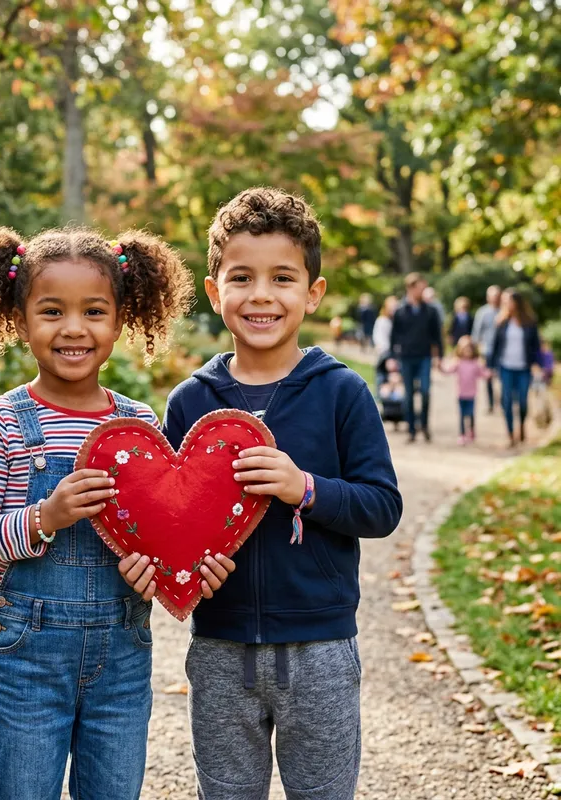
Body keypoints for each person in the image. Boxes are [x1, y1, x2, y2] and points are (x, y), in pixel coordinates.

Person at [125, 187, 403, 800]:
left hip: (321, 646)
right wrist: (175, 567)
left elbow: (382, 506)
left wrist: (304, 488)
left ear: (313, 292)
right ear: (214, 290)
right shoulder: (190, 401)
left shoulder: (342, 392)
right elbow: (172, 514)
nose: (261, 295)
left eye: (282, 278)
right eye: (241, 277)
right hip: (220, 647)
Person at [0, 225, 233, 800]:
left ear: (121, 320)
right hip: (29, 659)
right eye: (52, 311)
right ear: (19, 318)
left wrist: (168, 572)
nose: (74, 328)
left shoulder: (140, 424)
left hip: (122, 660)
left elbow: (159, 534)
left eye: (94, 311)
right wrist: (44, 518)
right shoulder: (2, 419)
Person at [390, 273, 444, 442]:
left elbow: (437, 335)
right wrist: (392, 357)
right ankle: (411, 430)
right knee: (409, 395)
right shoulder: (400, 311)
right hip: (406, 357)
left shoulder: (431, 311)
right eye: (420, 288)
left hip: (424, 357)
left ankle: (425, 426)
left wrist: (440, 356)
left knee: (426, 392)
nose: (422, 291)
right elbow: (394, 336)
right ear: (411, 288)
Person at [488, 289, 542, 446]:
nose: (505, 303)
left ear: (517, 302)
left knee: (523, 401)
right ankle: (511, 433)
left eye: (508, 300)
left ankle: (522, 425)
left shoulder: (529, 322)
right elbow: (495, 345)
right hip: (506, 367)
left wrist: (537, 364)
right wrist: (490, 366)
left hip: (523, 367)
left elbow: (536, 346)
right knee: (507, 401)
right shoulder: (502, 321)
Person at [440, 335, 490, 445]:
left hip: (471, 394)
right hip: (461, 393)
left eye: (469, 349)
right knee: (462, 415)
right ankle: (462, 434)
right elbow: (448, 370)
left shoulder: (475, 363)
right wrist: (441, 367)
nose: (467, 352)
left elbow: (483, 373)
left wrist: (489, 374)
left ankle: (471, 431)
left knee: (470, 414)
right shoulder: (458, 362)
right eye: (465, 349)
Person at [471, 284, 502, 413]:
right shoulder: (482, 312)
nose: (495, 298)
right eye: (492, 296)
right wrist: (476, 353)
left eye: (497, 296)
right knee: (488, 378)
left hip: (502, 352)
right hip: (487, 351)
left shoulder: (505, 311)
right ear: (488, 297)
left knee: (502, 378)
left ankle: (503, 402)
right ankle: (490, 403)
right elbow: (476, 333)